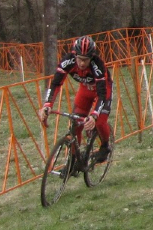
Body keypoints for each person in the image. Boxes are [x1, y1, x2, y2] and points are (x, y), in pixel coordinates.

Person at [38, 35, 113, 163]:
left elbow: (102, 94)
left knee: (100, 122)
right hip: (85, 89)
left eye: (86, 60)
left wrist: (94, 115)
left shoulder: (98, 65)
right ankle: (73, 160)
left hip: (103, 91)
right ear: (75, 55)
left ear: (92, 57)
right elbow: (56, 83)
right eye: (80, 59)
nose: (82, 63)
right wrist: (47, 104)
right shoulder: (68, 61)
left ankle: (105, 146)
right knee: (76, 124)